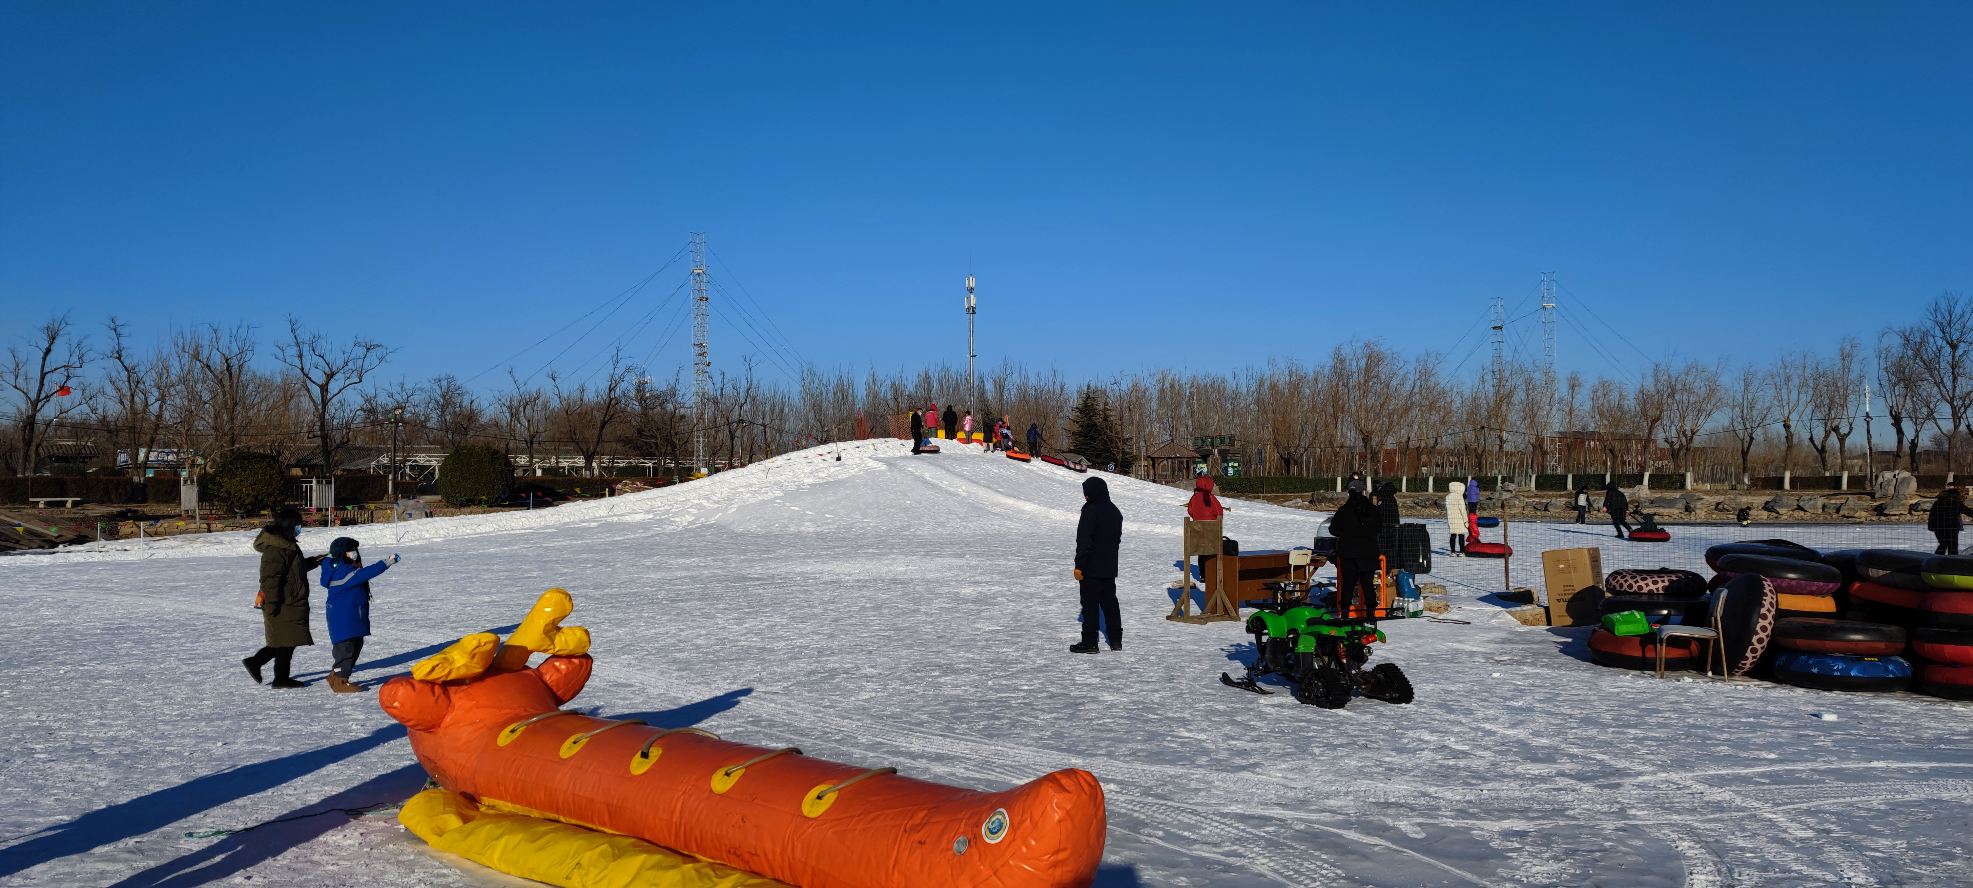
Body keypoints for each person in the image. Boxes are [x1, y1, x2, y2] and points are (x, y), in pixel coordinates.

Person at [243, 506, 323, 689]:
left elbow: (293, 570)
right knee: (283, 641)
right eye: (298, 525)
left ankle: (280, 677)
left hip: (291, 602)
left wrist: (312, 562)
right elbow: (270, 579)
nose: (300, 528)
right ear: (289, 525)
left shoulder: (288, 546)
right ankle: (257, 663)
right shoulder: (276, 549)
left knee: (288, 641)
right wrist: (272, 604)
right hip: (282, 603)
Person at [320, 537, 399, 693]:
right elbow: (365, 574)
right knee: (345, 648)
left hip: (351, 615)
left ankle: (335, 675)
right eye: (351, 550)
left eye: (355, 550)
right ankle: (339, 681)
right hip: (343, 616)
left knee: (356, 644)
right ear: (342, 553)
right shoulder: (342, 571)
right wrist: (386, 563)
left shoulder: (344, 567)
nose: (355, 553)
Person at [1071, 476, 1124, 654]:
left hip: (1091, 567)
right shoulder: (1115, 511)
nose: (1085, 497)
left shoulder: (1090, 511)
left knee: (1090, 604)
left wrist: (1079, 566)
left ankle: (1090, 642)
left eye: (1086, 493)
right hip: (1109, 566)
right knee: (1110, 603)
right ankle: (1116, 640)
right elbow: (1116, 540)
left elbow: (1084, 541)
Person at [1327, 480, 1382, 619]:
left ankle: (1345, 613)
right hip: (1369, 552)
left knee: (1348, 584)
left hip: (1349, 553)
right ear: (1363, 492)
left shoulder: (1343, 511)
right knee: (1368, 584)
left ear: (1349, 493)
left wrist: (1346, 533)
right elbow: (1379, 529)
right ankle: (1370, 613)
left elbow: (1333, 530)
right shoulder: (1373, 510)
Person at [1929, 484, 1973, 554]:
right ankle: (1952, 561)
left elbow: (1932, 515)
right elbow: (1968, 511)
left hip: (1939, 528)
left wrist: (1931, 526)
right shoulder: (1957, 503)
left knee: (1943, 545)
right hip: (1952, 528)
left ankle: (1937, 560)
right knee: (1953, 546)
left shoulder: (1937, 503)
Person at [1444, 481, 1467, 556]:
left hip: (1451, 519)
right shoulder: (1459, 497)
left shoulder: (1448, 497)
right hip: (1459, 518)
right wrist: (1466, 520)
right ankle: (1461, 552)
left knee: (1453, 535)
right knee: (1461, 535)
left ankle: (1452, 552)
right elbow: (1462, 510)